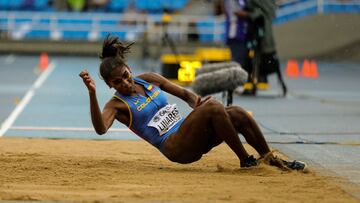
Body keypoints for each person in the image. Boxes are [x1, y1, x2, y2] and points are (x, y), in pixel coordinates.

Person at [79, 35, 306, 170]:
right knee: (216, 107)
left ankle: (271, 159)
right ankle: (246, 160)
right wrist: (91, 94)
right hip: (175, 147)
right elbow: (100, 129)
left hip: (191, 133)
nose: (126, 83)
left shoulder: (148, 79)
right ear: (110, 85)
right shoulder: (116, 105)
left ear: (129, 69)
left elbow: (186, 95)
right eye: (118, 82)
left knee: (236, 112)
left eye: (126, 76)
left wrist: (198, 102)